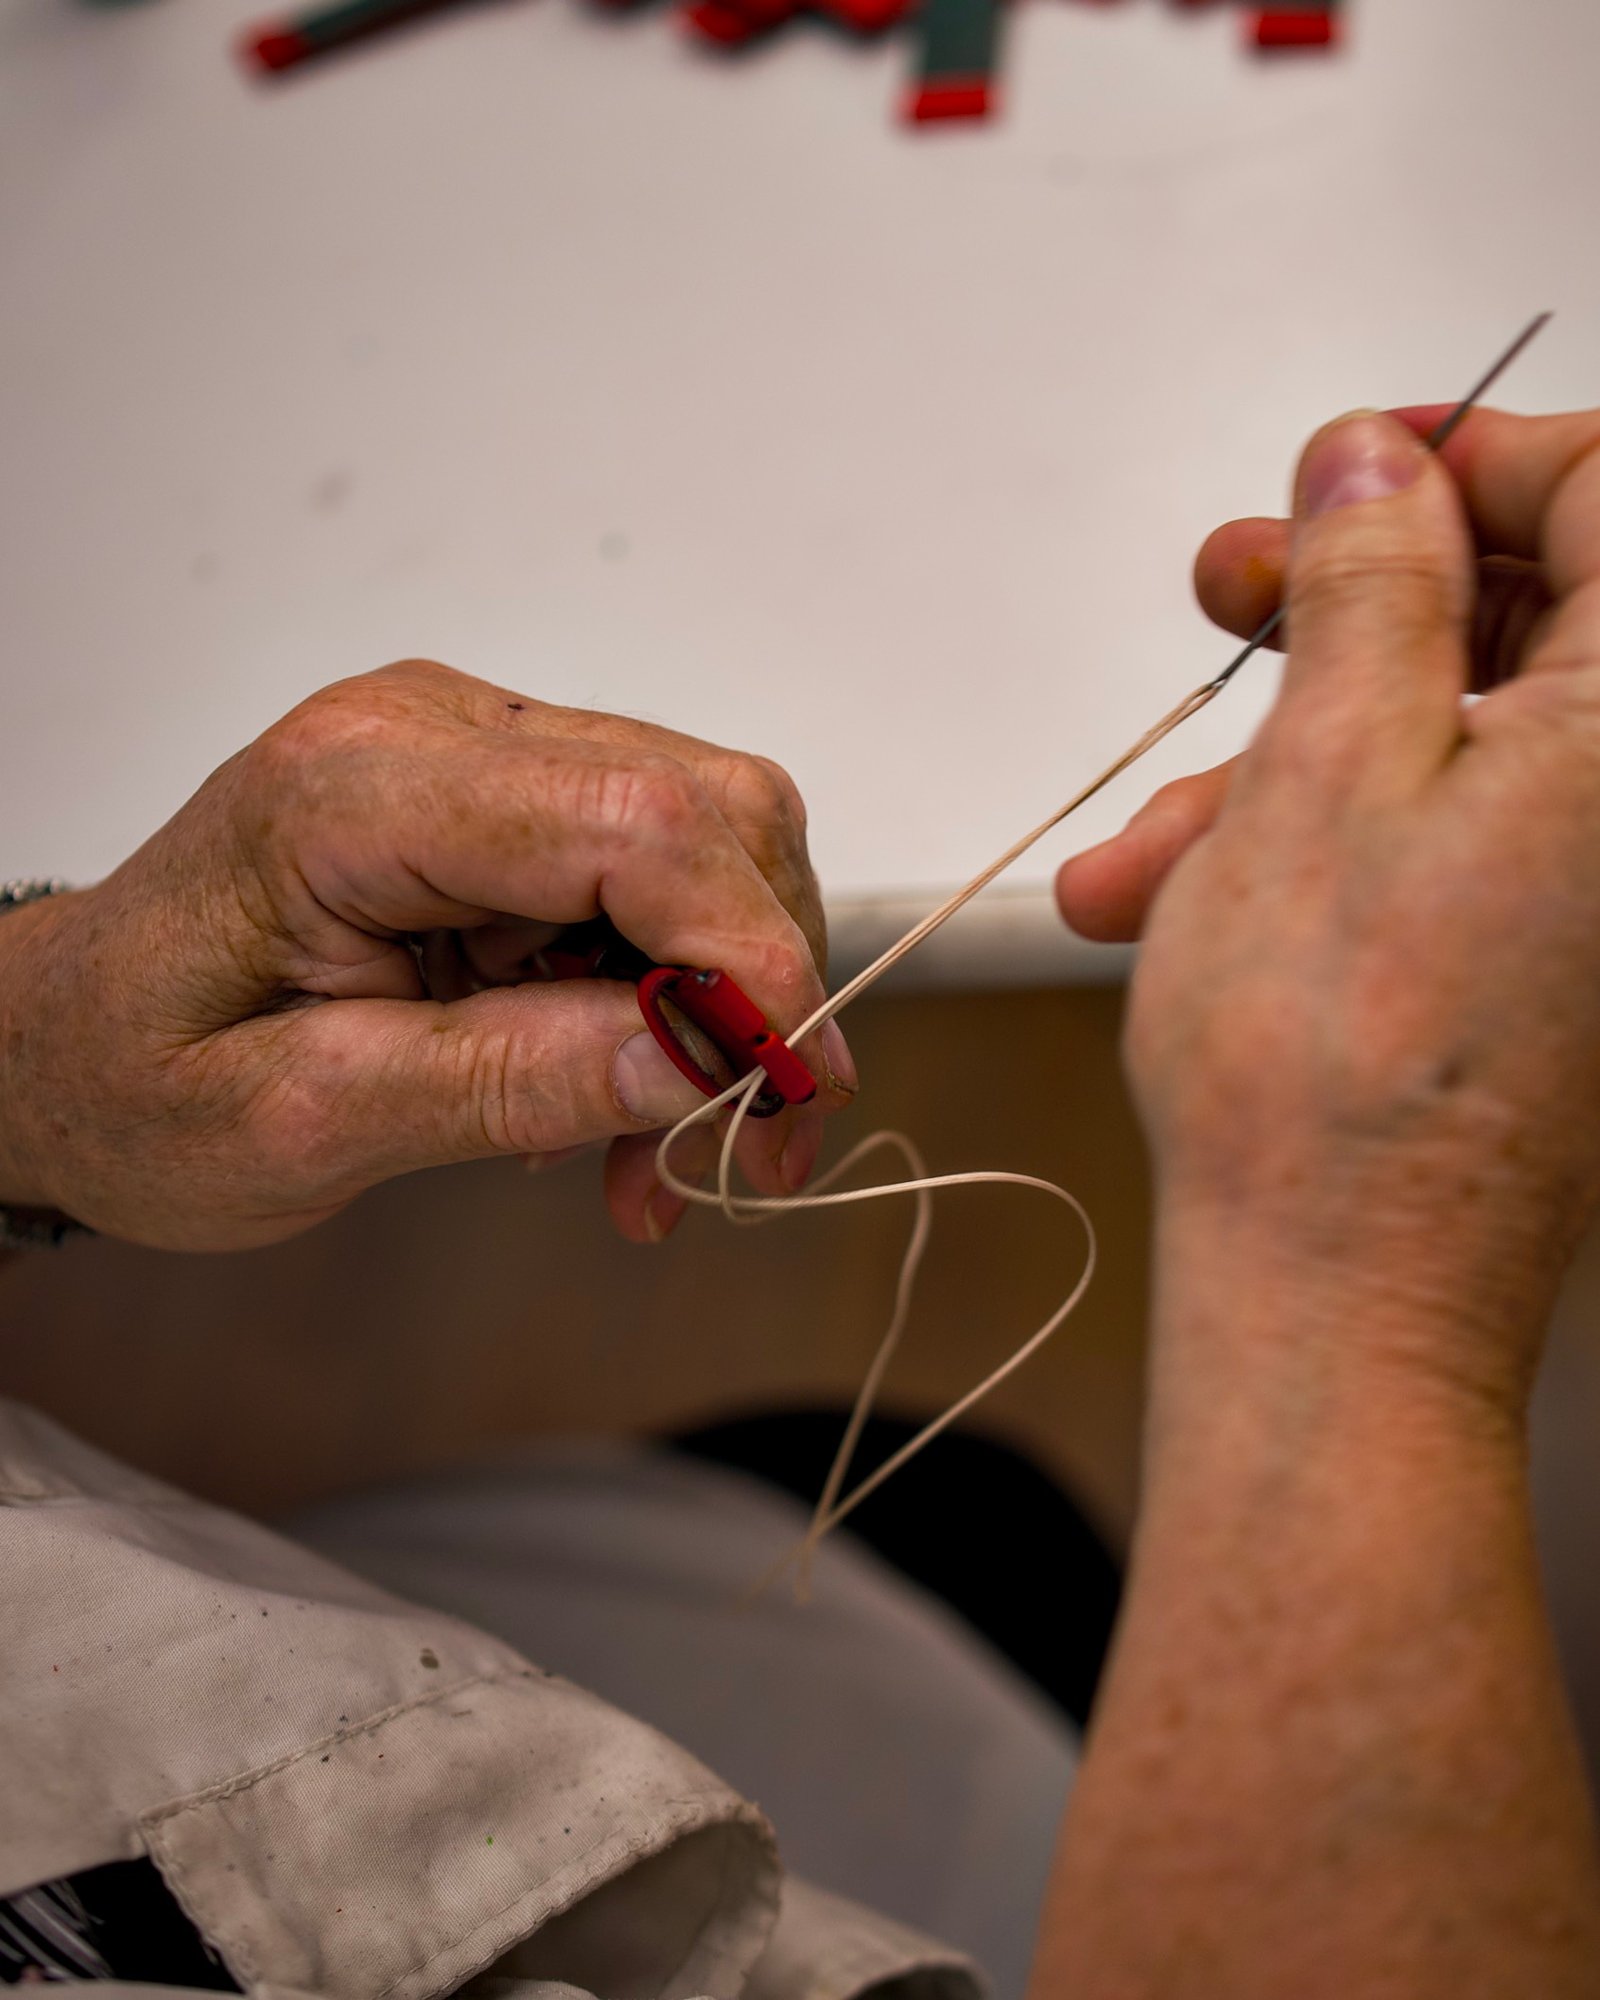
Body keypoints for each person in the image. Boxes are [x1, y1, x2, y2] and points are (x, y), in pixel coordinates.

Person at [4, 400, 1600, 1998]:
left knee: (953, 1520)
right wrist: (1368, 1285)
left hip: (313, 1651)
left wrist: (37, 1050)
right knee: (978, 1545)